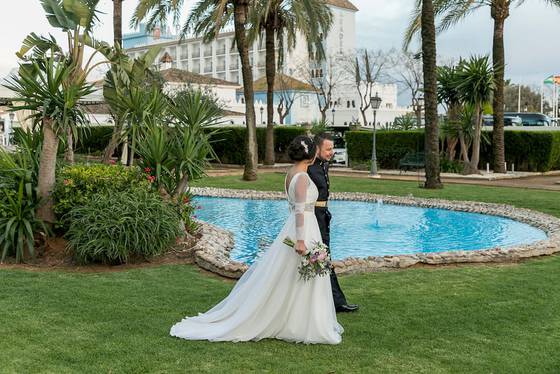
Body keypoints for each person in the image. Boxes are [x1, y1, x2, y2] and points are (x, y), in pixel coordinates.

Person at [170, 135, 343, 344]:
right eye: (316, 150)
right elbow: (299, 210)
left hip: (303, 228)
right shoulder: (303, 177)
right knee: (300, 275)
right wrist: (300, 240)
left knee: (293, 276)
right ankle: (300, 321)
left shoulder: (292, 173)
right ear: (310, 154)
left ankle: (298, 317)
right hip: (303, 230)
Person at [308, 132, 359, 313]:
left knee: (321, 259)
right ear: (317, 148)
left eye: (332, 149)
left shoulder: (324, 165)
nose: (331, 152)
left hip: (323, 216)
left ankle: (332, 301)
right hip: (313, 219)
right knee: (321, 258)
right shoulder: (308, 169)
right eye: (328, 149)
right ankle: (337, 302)